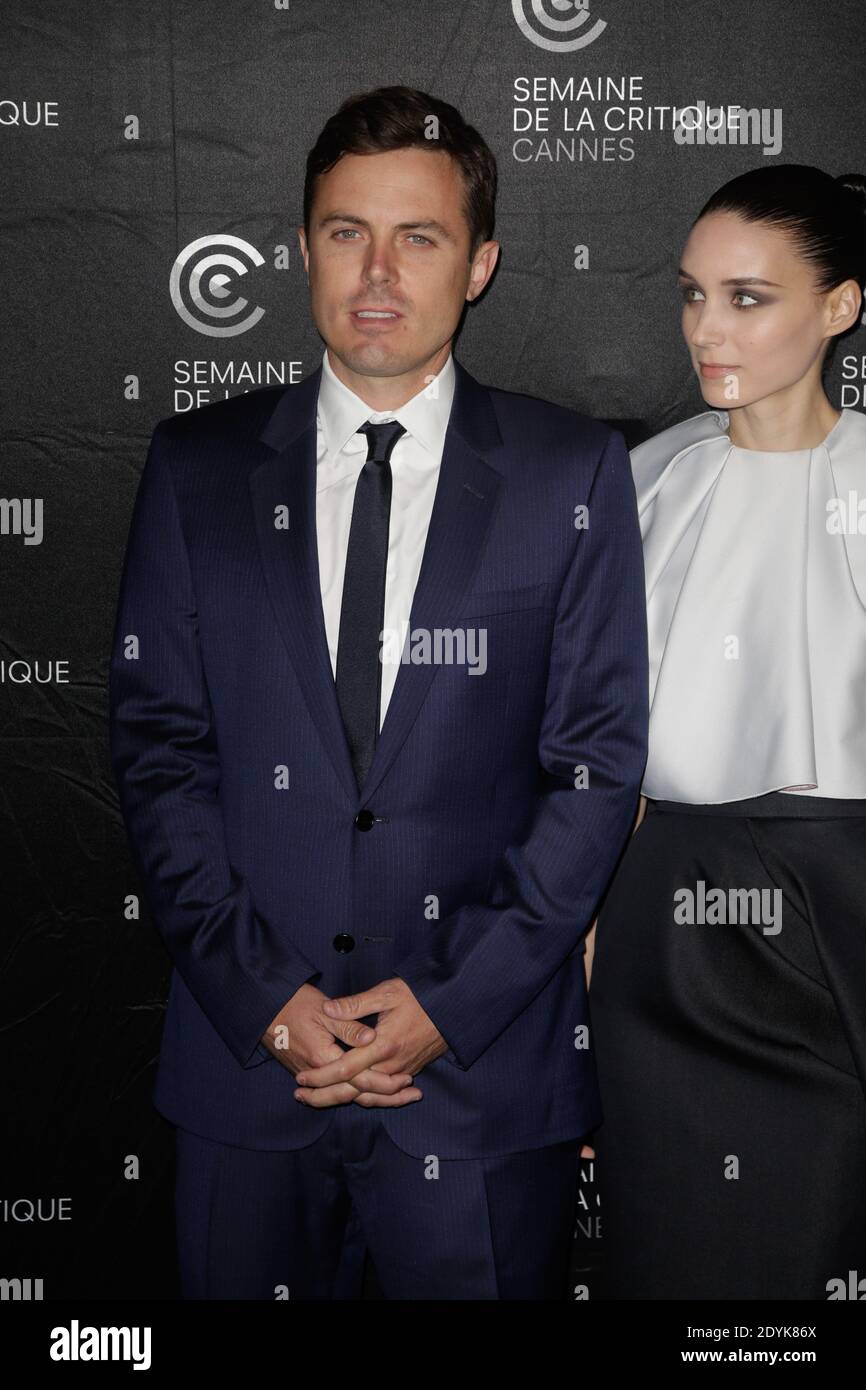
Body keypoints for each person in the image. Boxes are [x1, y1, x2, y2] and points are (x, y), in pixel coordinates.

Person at [108, 85, 648, 1300]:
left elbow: (594, 771)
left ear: (481, 263)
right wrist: (269, 1001)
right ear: (301, 249)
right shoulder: (195, 471)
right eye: (347, 230)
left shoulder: (570, 473)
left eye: (420, 237)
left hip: (480, 1082)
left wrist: (449, 1006)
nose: (377, 271)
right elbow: (158, 753)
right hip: (250, 1076)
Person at [588, 164, 866, 1300]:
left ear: (840, 306)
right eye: (692, 293)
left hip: (850, 904)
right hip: (676, 922)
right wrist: (594, 927)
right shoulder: (644, 483)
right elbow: (603, 742)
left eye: (746, 297)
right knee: (694, 1250)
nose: (706, 328)